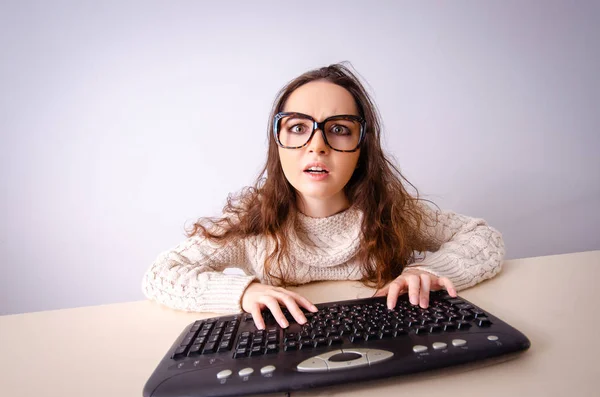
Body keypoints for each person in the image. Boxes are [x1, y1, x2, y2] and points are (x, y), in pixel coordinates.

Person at [142, 63, 505, 331]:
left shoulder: (393, 212)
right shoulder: (250, 221)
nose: (317, 146)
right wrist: (244, 292)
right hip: (286, 349)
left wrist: (428, 272)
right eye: (298, 127)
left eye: (339, 130)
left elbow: (483, 238)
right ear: (277, 143)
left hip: (388, 340)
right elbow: (162, 274)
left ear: (362, 146)